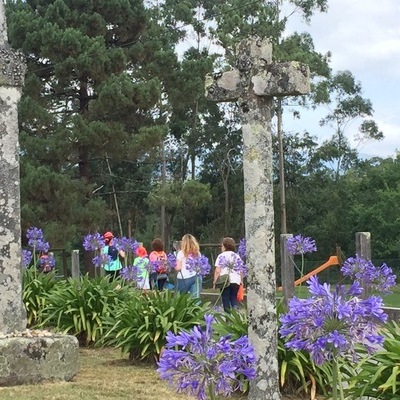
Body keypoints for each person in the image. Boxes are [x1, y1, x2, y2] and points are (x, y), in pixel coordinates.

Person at [213, 237, 242, 312]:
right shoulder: (237, 256)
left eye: (222, 246)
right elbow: (241, 270)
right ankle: (235, 311)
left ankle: (228, 317)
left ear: (225, 246)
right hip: (236, 280)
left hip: (225, 281)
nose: (221, 247)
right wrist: (241, 281)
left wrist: (215, 282)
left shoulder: (221, 256)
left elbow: (217, 270)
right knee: (233, 297)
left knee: (225, 298)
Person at [175, 234, 202, 299]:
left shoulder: (181, 253)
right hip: (195, 277)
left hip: (183, 278)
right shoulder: (197, 253)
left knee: (182, 299)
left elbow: (178, 267)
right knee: (195, 298)